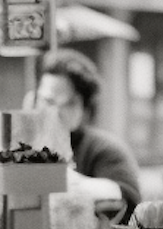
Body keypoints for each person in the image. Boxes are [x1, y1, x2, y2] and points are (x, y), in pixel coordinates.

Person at [26, 48, 143, 216]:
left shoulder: (104, 150)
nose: (56, 112)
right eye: (48, 101)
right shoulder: (22, 148)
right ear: (33, 100)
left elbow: (128, 195)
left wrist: (62, 180)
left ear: (86, 108)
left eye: (68, 104)